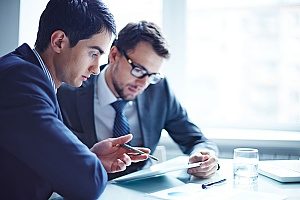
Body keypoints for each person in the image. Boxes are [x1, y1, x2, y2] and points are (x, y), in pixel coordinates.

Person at [0, 0, 150, 199]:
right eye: (93, 53)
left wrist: (91, 157)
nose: (96, 69)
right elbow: (88, 182)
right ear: (59, 41)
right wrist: (88, 165)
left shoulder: (28, 75)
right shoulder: (21, 80)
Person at [57, 20, 219, 180]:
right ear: (114, 55)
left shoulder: (159, 90)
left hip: (143, 190)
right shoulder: (68, 94)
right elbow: (57, 161)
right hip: (91, 189)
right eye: (138, 70)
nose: (144, 83)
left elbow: (196, 139)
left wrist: (205, 156)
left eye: (152, 76)